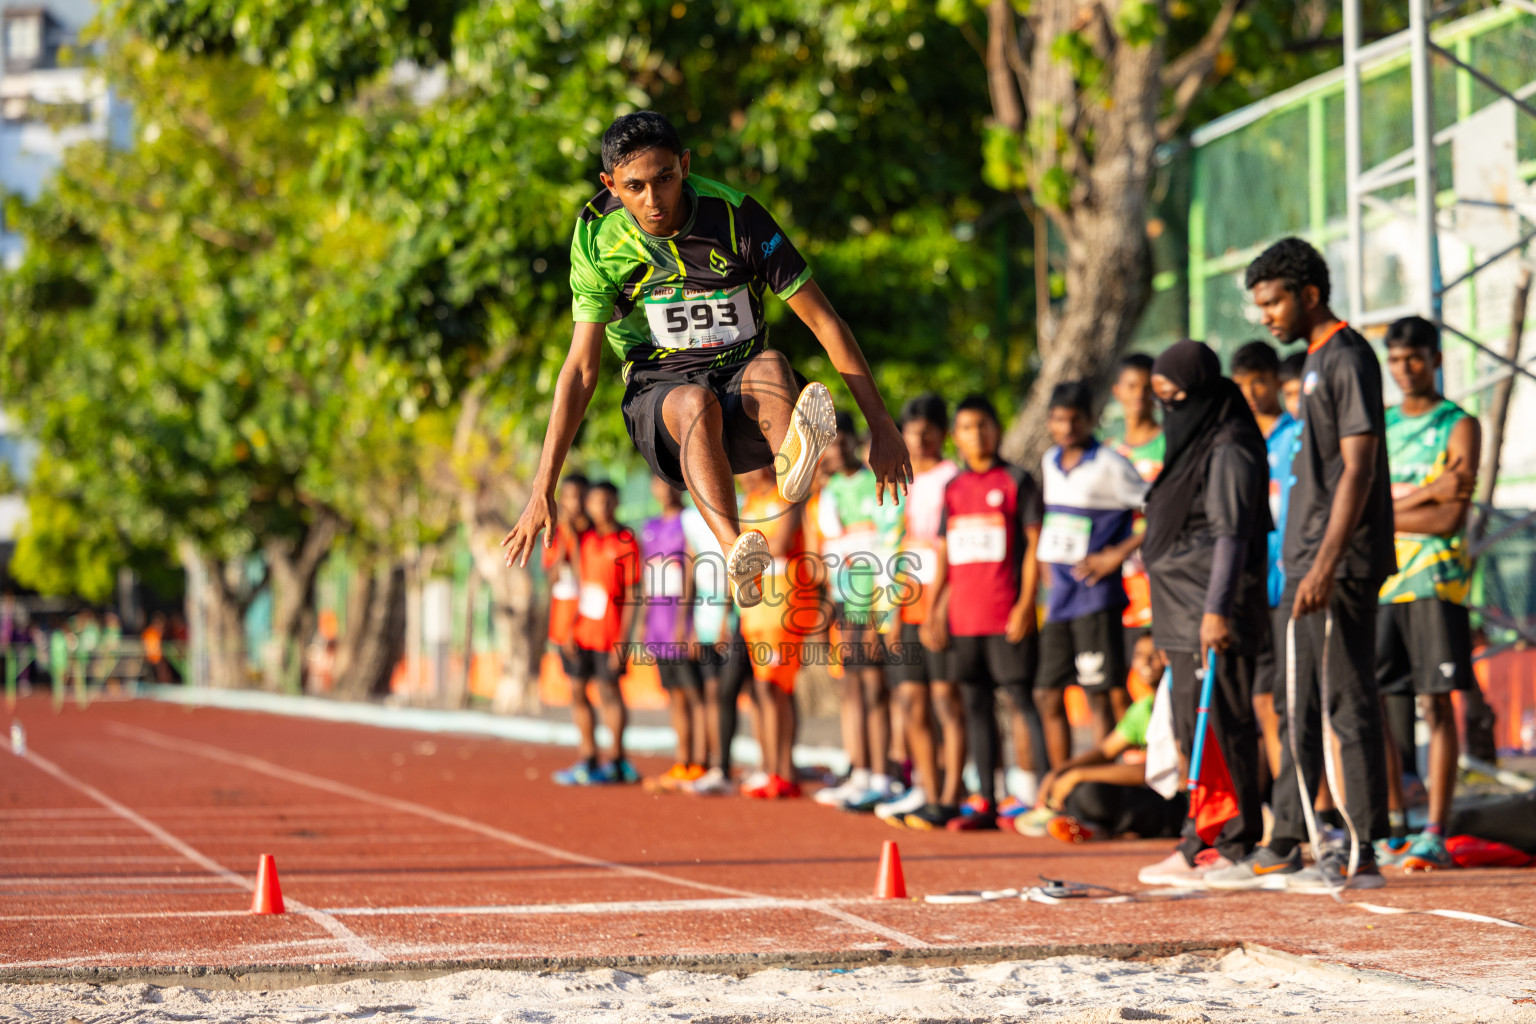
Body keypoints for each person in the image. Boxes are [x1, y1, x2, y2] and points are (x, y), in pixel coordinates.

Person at [502, 111, 911, 609]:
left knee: (771, 365)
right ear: (610, 183)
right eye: (634, 187)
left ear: (686, 166)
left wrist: (883, 426)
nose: (654, 201)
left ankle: (792, 468)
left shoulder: (737, 216)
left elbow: (826, 322)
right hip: (664, 400)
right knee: (694, 401)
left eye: (665, 179)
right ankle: (734, 549)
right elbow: (581, 369)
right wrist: (543, 486)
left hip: (744, 394)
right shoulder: (598, 239)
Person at [1213, 237, 1395, 892]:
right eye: (1258, 303)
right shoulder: (1313, 361)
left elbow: (1359, 464)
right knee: (1295, 703)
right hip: (1303, 559)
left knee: (1344, 700)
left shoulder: (1347, 355)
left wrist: (1325, 561)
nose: (1264, 314)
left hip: (1335, 564)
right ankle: (1287, 838)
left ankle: (1362, 848)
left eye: (1273, 300)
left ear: (1309, 294)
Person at [1134, 340, 1270, 888]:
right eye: (1160, 399)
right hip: (1181, 612)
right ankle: (1200, 838)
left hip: (1213, 613)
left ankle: (1234, 842)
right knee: (1195, 731)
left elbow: (1232, 536)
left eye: (1176, 398)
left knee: (1225, 727)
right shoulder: (1195, 442)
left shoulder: (1230, 446)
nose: (1169, 410)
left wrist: (1214, 613)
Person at [1373, 316, 1480, 872]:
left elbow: (1449, 517)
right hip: (1383, 583)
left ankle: (1434, 829)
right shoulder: (1382, 424)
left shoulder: (1457, 425)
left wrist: (1394, 510)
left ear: (1435, 359)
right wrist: (1427, 492)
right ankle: (1394, 827)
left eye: (1414, 358)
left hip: (1436, 581)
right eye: (1394, 360)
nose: (1404, 369)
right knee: (1383, 710)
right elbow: (1369, 511)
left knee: (1436, 705)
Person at [916, 395, 1044, 831]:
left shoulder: (1016, 480)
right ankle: (987, 803)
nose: (977, 434)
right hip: (963, 621)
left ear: (998, 429)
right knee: (976, 708)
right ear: (958, 437)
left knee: (1022, 701)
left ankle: (1040, 799)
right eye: (968, 428)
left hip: (1006, 614)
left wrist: (1027, 603)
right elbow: (946, 557)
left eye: (984, 425)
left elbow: (1032, 550)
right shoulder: (954, 489)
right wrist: (934, 612)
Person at [1036, 381, 1150, 763]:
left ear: (1091, 420)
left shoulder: (1110, 464)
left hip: (1096, 595)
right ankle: (1060, 792)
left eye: (1074, 420)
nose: (1066, 428)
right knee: (1048, 693)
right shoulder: (1050, 460)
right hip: (1060, 598)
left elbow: (1159, 511)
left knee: (1100, 693)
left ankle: (1104, 792)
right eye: (1057, 419)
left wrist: (1116, 555)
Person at [876, 393, 964, 827]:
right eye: (913, 430)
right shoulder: (898, 478)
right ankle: (926, 790)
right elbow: (898, 548)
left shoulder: (953, 478)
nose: (922, 437)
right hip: (906, 602)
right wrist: (891, 611)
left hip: (943, 601)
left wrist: (941, 607)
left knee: (947, 699)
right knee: (911, 701)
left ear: (942, 434)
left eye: (930, 429)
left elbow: (951, 547)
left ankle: (955, 793)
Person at [814, 413, 902, 812]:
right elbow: (831, 554)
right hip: (844, 604)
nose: (835, 450)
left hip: (876, 604)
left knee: (875, 689)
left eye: (841, 441)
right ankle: (861, 772)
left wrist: (876, 611)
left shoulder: (875, 483)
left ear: (853, 442)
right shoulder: (827, 492)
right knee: (851, 689)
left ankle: (884, 776)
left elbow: (884, 549)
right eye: (828, 443)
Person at [1231, 342, 1303, 789]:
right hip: (1253, 590)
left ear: (1277, 380)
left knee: (1296, 700)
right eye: (1242, 383)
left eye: (1259, 380)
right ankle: (1284, 803)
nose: (1252, 391)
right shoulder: (1236, 439)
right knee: (1262, 700)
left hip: (1295, 585)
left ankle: (1317, 807)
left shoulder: (1299, 434)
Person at [1039, 632, 1187, 844]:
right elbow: (1105, 751)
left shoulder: (1180, 705)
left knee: (1090, 792)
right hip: (1153, 794)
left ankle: (1100, 827)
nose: (1146, 661)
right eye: (1139, 654)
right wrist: (1060, 771)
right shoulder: (1143, 707)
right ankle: (1094, 827)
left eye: (1154, 654)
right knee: (1077, 792)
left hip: (1180, 803)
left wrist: (1079, 774)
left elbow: (1157, 770)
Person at [553, 482, 642, 786]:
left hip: (611, 634)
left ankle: (616, 760)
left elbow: (633, 592)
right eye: (594, 502)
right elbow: (579, 586)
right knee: (577, 690)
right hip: (582, 632)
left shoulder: (626, 541)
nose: (598, 508)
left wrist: (624, 640)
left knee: (609, 692)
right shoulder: (586, 540)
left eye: (605, 502)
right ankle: (588, 757)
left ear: (615, 503)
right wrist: (570, 629)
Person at [737, 466, 811, 798]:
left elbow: (780, 544)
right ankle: (769, 767)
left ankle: (784, 770)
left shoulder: (787, 496)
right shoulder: (749, 502)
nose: (740, 474)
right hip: (755, 610)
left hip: (784, 605)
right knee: (762, 688)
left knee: (778, 687)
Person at [640, 476, 708, 791]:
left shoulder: (689, 522)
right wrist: (643, 623)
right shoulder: (649, 526)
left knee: (696, 694)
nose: (663, 489)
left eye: (667, 483)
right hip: (658, 625)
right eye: (656, 483)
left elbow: (693, 571)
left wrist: (685, 621)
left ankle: (704, 761)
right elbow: (646, 577)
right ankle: (683, 761)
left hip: (683, 623)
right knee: (675, 695)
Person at [680, 498, 751, 796]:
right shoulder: (690, 517)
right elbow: (691, 569)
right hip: (703, 620)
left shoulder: (739, 509)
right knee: (712, 694)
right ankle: (716, 765)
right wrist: (690, 624)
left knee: (729, 692)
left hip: (733, 620)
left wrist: (725, 616)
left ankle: (730, 767)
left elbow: (733, 568)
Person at [1107, 354, 1165, 638]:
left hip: (1163, 568)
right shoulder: (1108, 452)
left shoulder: (1171, 445)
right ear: (1116, 391)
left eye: (1146, 387)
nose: (1138, 395)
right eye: (1131, 386)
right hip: (1123, 575)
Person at [544, 474, 592, 685]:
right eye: (571, 497)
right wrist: (565, 541)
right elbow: (552, 578)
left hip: (592, 619)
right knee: (576, 687)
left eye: (581, 496)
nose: (576, 502)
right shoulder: (555, 534)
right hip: (564, 619)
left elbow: (585, 574)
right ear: (562, 500)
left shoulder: (594, 533)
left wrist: (575, 539)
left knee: (606, 687)